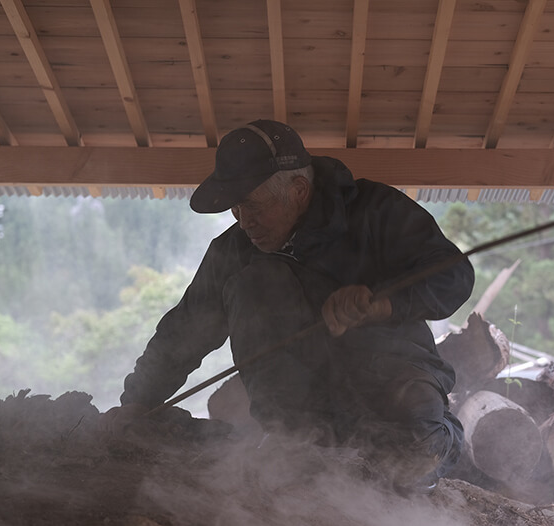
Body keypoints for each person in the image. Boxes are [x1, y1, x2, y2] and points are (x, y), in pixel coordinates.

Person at [101, 119, 475, 493]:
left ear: (297, 190)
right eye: (235, 209)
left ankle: (437, 441)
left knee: (413, 452)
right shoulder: (234, 252)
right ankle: (293, 443)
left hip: (388, 375)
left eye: (252, 205)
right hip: (303, 404)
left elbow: (454, 278)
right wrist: (138, 401)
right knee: (254, 282)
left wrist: (382, 302)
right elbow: (183, 331)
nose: (245, 222)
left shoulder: (377, 210)